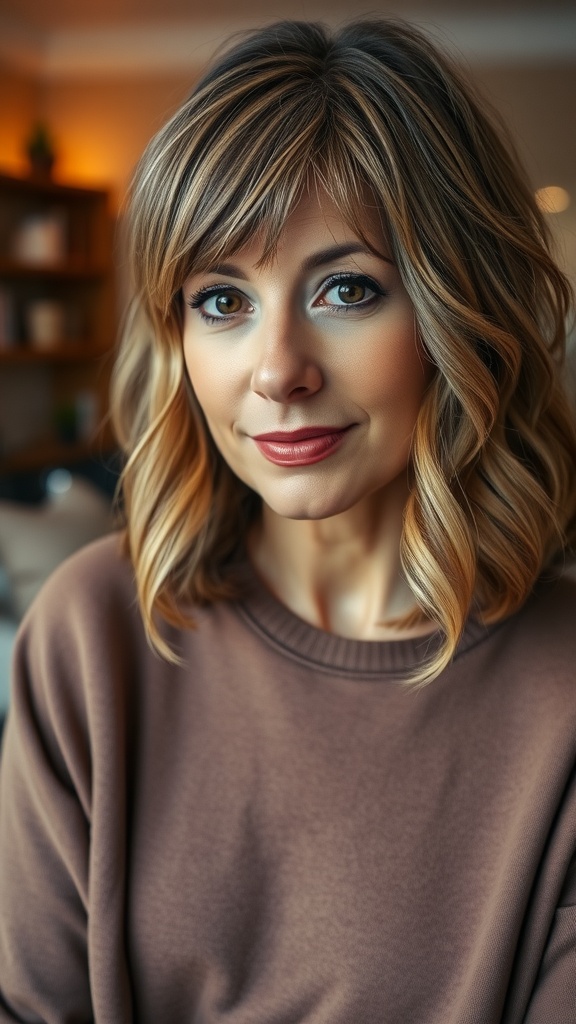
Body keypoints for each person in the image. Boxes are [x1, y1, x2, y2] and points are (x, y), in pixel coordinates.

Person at [1, 18, 575, 1023]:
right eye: (222, 300)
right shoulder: (90, 631)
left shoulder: (563, 688)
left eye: (347, 289)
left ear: (456, 314)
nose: (277, 370)